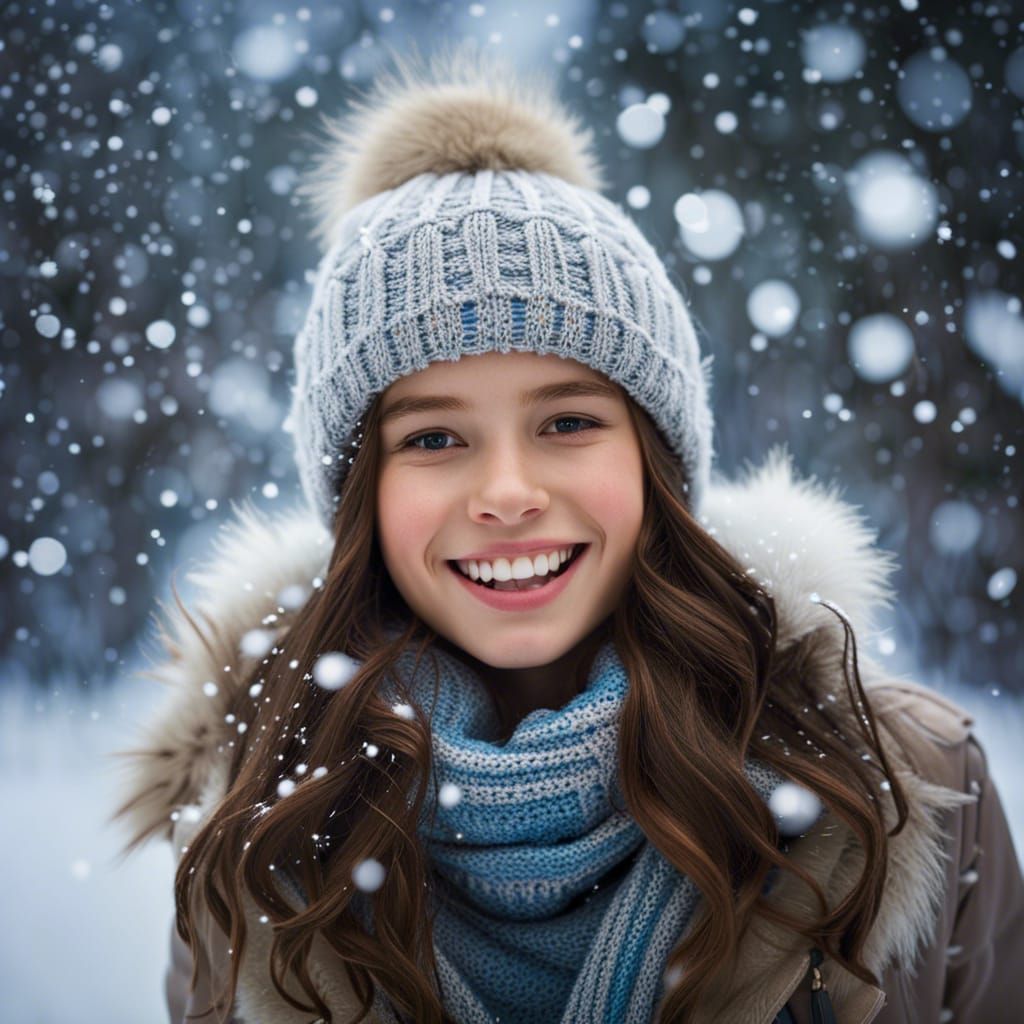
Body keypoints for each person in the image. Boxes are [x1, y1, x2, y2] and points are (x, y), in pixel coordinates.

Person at [109, 41, 1024, 1024]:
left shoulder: (904, 787)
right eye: (433, 437)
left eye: (568, 422)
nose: (507, 493)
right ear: (360, 496)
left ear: (655, 461)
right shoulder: (258, 834)